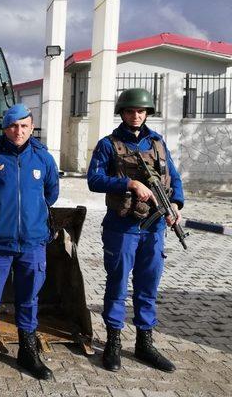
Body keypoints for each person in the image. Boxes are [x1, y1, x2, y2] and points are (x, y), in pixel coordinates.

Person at [87, 88, 184, 373]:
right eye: (131, 111)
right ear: (122, 113)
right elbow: (94, 179)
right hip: (122, 226)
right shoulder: (109, 144)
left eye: (141, 111)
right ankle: (114, 342)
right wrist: (129, 184)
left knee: (148, 284)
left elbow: (173, 177)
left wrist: (176, 204)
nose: (136, 115)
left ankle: (144, 342)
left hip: (153, 228)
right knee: (117, 284)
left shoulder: (157, 143)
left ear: (147, 113)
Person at [0, 103, 59, 381]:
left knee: (29, 298)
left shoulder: (43, 159)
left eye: (24, 126)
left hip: (32, 242)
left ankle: (28, 351)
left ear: (31, 127)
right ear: (5, 128)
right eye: (13, 126)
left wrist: (30, 217)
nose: (18, 131)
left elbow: (51, 194)